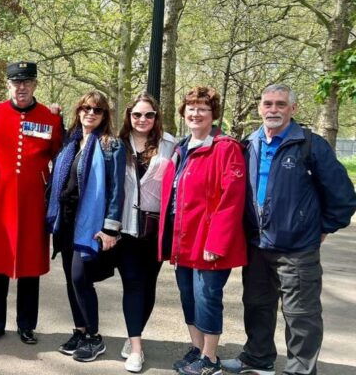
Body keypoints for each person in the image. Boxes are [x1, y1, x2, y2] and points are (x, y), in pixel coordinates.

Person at [221, 84, 356, 375]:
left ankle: (300, 370)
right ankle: (258, 358)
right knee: (256, 305)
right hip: (256, 245)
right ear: (260, 108)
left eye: (280, 104)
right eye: (268, 104)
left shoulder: (310, 144)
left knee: (301, 315)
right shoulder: (248, 144)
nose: (273, 110)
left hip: (297, 249)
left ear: (292, 109)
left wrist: (321, 228)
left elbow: (343, 196)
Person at [158, 86, 247, 375]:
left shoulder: (226, 147)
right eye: (191, 108)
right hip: (183, 241)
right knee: (188, 296)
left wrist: (217, 242)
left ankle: (210, 358)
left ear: (213, 115)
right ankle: (196, 349)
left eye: (203, 109)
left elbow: (231, 199)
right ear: (184, 113)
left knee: (207, 298)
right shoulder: (181, 148)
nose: (196, 114)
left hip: (209, 243)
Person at [0, 61, 63, 345]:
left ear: (35, 84)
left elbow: (59, 156)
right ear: (7, 85)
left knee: (30, 265)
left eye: (27, 81)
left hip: (34, 200)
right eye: (16, 82)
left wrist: (56, 196)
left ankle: (26, 325)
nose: (21, 87)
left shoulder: (49, 117)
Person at [46, 91, 125, 363]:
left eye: (97, 110)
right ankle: (79, 330)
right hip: (66, 220)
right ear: (78, 110)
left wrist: (111, 229)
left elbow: (116, 190)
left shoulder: (111, 145)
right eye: (85, 108)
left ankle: (94, 336)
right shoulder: (71, 141)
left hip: (90, 223)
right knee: (70, 278)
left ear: (104, 116)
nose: (90, 113)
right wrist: (53, 115)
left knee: (81, 277)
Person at [114, 93, 175, 372]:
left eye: (148, 115)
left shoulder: (170, 144)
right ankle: (137, 348)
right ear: (129, 116)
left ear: (156, 117)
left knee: (148, 286)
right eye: (137, 114)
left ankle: (132, 333)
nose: (142, 120)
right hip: (125, 227)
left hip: (156, 228)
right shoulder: (116, 145)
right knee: (133, 284)